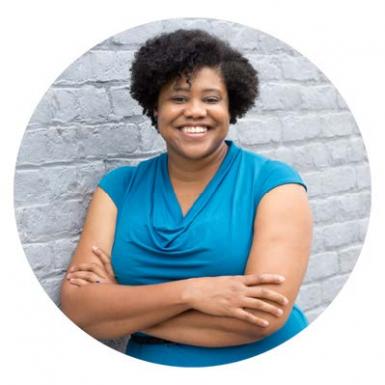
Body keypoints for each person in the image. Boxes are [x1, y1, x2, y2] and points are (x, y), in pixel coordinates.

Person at [60, 29, 312, 367]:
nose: (195, 111)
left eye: (210, 99)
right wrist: (193, 292)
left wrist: (120, 309)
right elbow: (78, 309)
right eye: (178, 98)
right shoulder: (118, 189)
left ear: (230, 107)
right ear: (156, 107)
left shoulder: (273, 185)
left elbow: (262, 317)